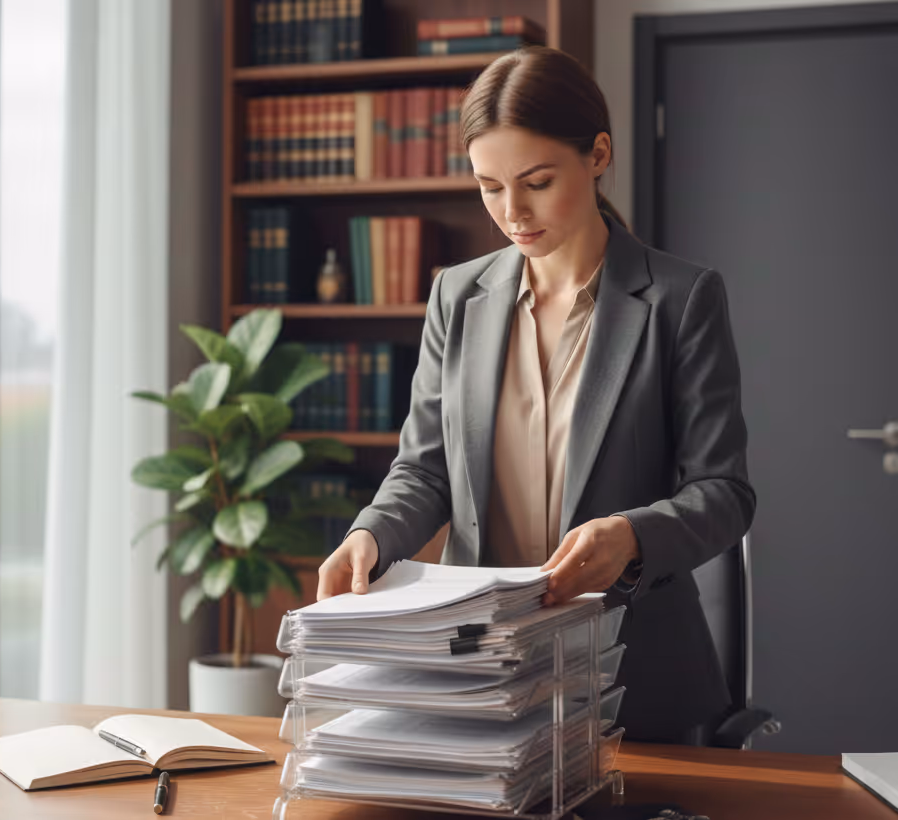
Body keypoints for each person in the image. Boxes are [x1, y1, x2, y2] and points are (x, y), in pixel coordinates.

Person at [316, 46, 756, 745]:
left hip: (634, 681)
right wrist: (369, 533)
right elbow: (426, 470)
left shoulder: (681, 298)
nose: (512, 211)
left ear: (598, 154)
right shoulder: (456, 296)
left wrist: (633, 536)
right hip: (477, 668)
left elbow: (724, 492)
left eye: (537, 182)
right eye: (489, 187)